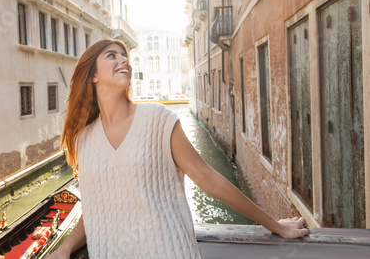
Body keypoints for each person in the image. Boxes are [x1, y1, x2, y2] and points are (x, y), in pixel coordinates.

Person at [48, 39, 309, 259]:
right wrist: (64, 250)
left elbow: (207, 178)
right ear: (93, 74)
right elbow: (94, 209)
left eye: (125, 56)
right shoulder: (84, 139)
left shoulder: (157, 118)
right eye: (112, 55)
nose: (124, 60)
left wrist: (275, 225)